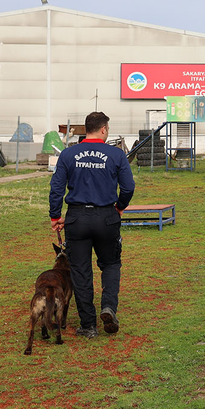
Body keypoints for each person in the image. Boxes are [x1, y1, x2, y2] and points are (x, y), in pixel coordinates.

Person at [49, 111, 135, 338]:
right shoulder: (116, 155)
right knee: (110, 264)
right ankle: (108, 307)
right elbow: (128, 187)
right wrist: (119, 206)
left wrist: (55, 216)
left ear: (86, 129)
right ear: (104, 129)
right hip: (107, 218)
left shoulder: (68, 154)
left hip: (76, 219)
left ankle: (88, 325)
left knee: (80, 271)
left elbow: (56, 187)